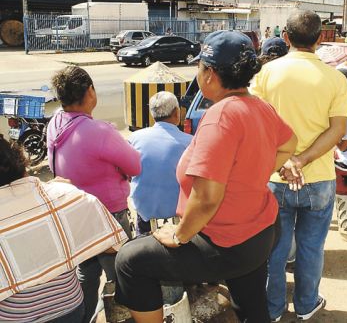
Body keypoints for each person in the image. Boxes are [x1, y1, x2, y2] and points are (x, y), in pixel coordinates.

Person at [114, 30, 297, 323]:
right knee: (250, 306)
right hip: (261, 231)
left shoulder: (221, 115)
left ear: (210, 74)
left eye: (199, 67)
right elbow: (290, 144)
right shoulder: (260, 106)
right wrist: (256, 171)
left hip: (227, 241)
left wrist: (180, 233)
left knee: (130, 261)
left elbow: (208, 197)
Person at [251, 9, 347, 322]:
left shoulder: (266, 74)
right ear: (320, 39)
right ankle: (307, 305)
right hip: (318, 178)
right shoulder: (336, 78)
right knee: (311, 248)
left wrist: (286, 160)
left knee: (274, 251)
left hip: (275, 178)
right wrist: (303, 159)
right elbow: (338, 130)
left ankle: (274, 308)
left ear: (285, 38)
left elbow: (256, 124)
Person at [47, 65, 141, 323]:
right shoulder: (100, 131)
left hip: (75, 214)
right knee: (121, 274)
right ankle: (124, 316)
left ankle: (85, 316)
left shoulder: (56, 122)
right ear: (90, 92)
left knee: (86, 272)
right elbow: (135, 166)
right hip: (107, 216)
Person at [0, 137, 128, 323]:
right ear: (18, 160)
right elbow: (112, 246)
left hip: (16, 317)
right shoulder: (67, 195)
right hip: (70, 307)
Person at [128, 91, 192, 235]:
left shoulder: (134, 138)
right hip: (180, 216)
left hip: (144, 212)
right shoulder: (189, 142)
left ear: (153, 114)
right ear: (177, 113)